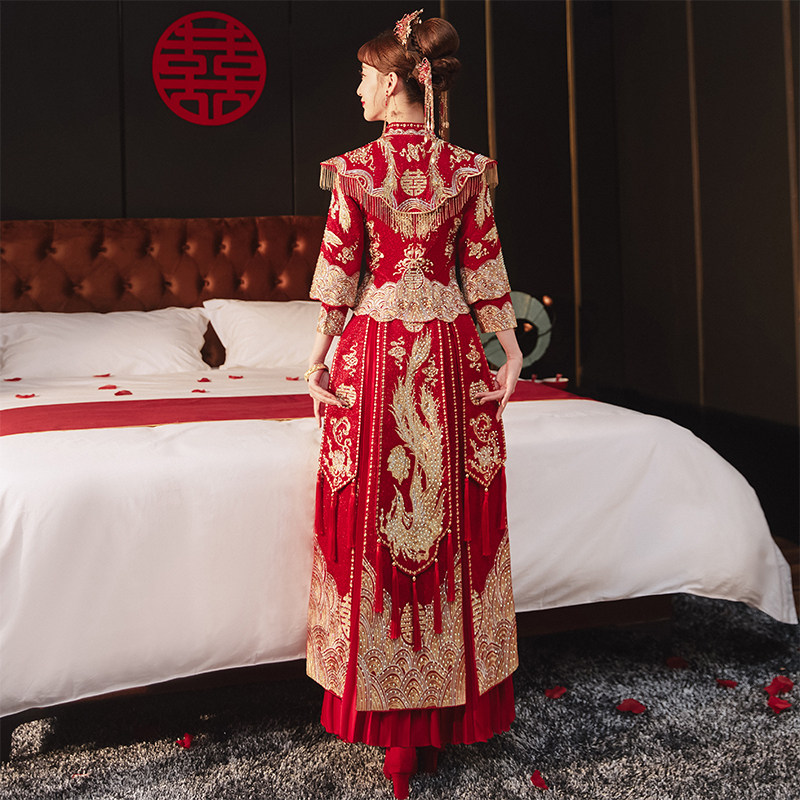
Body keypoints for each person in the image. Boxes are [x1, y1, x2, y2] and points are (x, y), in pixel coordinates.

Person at [304, 10, 523, 799]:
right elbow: (483, 267)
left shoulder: (356, 171)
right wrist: (508, 347)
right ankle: (440, 719)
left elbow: (340, 269)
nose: (358, 89)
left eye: (366, 76)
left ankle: (392, 727)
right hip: (453, 352)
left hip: (375, 354)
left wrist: (318, 352)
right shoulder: (467, 170)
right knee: (455, 517)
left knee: (373, 513)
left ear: (399, 82)